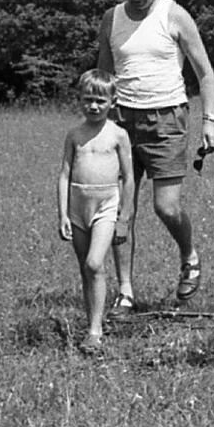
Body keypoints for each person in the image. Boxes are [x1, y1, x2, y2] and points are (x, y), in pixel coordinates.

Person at [95, 0, 214, 312]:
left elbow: (205, 73)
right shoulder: (111, 19)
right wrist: (100, 122)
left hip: (166, 118)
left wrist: (209, 121)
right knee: (121, 210)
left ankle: (189, 255)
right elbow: (104, 76)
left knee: (165, 206)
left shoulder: (174, 15)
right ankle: (126, 291)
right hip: (121, 121)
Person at [56, 69, 135, 357]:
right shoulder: (74, 135)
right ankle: (93, 324)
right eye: (88, 99)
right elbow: (64, 174)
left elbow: (129, 177)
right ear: (79, 100)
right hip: (77, 205)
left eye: (100, 101)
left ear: (113, 102)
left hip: (106, 205)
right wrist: (63, 214)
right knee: (85, 270)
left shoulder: (118, 135)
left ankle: (95, 332)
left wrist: (124, 216)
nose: (93, 106)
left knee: (93, 263)